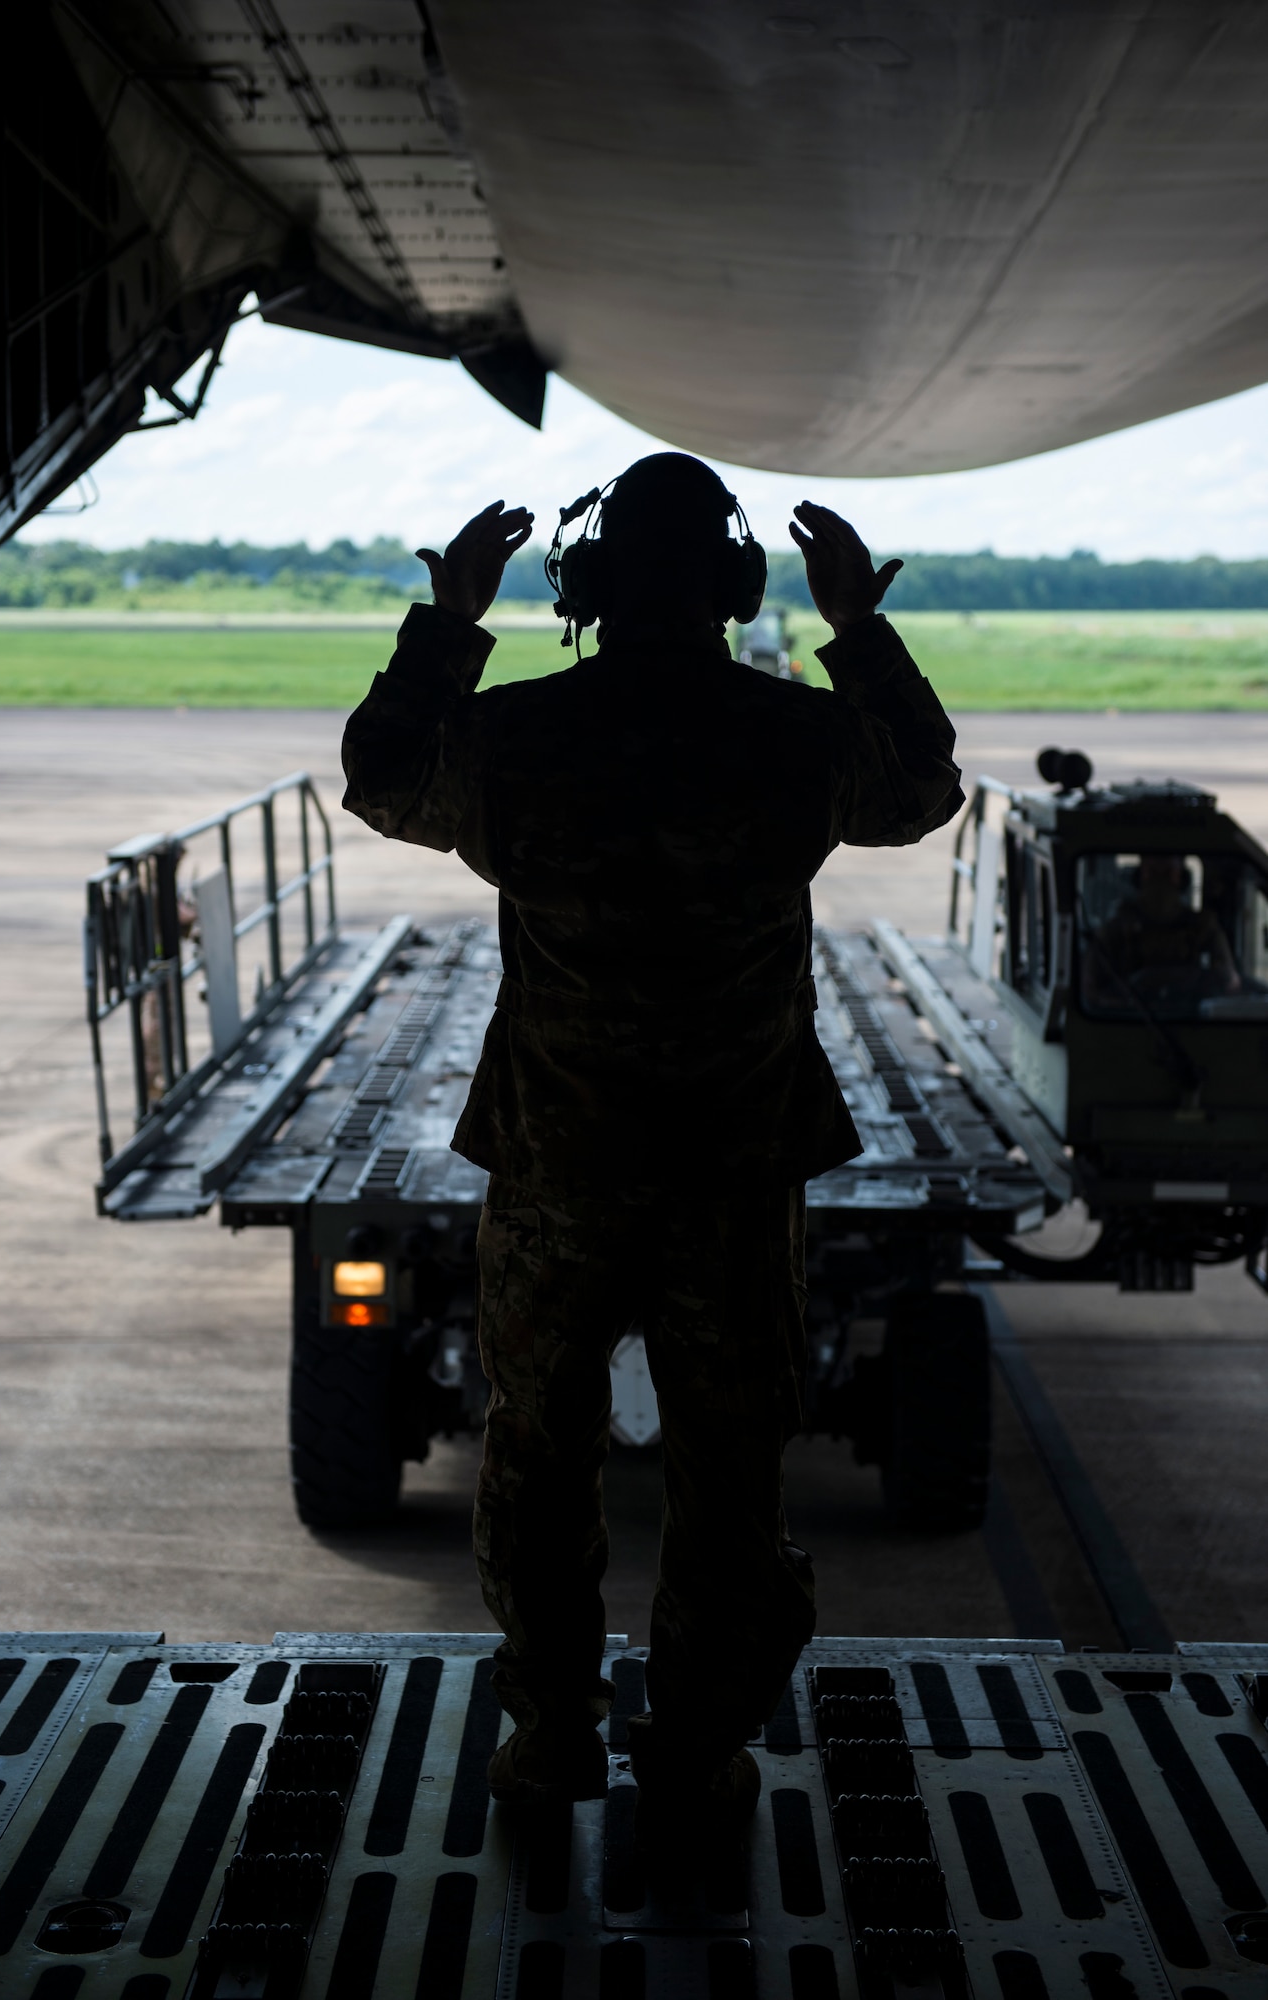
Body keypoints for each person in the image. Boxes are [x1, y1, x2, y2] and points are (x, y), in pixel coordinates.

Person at [340, 453, 963, 1828]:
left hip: (559, 1167)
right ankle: (693, 1747)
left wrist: (449, 616)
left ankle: (553, 1733)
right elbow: (919, 789)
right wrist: (855, 628)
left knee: (536, 1450)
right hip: (730, 1178)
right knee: (728, 1469)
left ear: (587, 587)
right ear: (738, 588)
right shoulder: (791, 739)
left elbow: (382, 779)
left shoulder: (516, 739)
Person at [1081, 853, 1240, 1014]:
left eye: (1168, 873)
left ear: (1182, 878)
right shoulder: (1116, 930)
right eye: (1152, 872)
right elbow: (1091, 991)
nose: (1160, 882)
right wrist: (1123, 1007)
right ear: (1140, 877)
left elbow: (1228, 983)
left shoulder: (1203, 927)